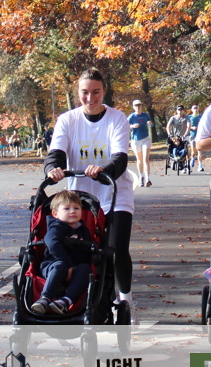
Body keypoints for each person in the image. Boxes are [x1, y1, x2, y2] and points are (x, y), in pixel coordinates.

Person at [45, 68, 138, 322]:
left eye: (96, 92)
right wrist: (53, 168)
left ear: (103, 91)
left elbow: (120, 157)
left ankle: (126, 300)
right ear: (78, 92)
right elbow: (57, 151)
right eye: (85, 92)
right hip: (80, 199)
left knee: (116, 249)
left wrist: (104, 170)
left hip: (115, 193)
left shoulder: (117, 118)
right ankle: (86, 298)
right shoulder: (68, 120)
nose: (90, 98)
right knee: (83, 251)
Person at [31, 190, 93, 315]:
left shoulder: (83, 230)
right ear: (56, 214)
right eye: (67, 208)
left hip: (75, 268)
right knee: (60, 266)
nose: (72, 211)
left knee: (86, 269)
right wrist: (68, 264)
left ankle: (65, 301)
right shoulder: (56, 227)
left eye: (76, 208)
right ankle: (45, 298)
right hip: (52, 266)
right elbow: (52, 243)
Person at [127, 99, 154, 187]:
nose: (138, 107)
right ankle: (141, 177)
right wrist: (132, 126)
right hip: (136, 140)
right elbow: (125, 125)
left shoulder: (145, 115)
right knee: (139, 159)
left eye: (139, 105)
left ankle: (148, 179)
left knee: (146, 158)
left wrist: (150, 123)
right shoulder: (132, 116)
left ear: (141, 106)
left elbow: (151, 124)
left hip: (145, 139)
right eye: (136, 105)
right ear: (133, 107)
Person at [187, 103, 204, 171]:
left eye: (196, 108)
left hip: (200, 136)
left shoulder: (201, 116)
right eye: (194, 109)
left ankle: (200, 165)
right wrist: (192, 127)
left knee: (200, 150)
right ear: (192, 110)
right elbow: (187, 126)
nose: (195, 110)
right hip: (193, 135)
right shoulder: (189, 117)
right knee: (193, 151)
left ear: (198, 109)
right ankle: (193, 158)